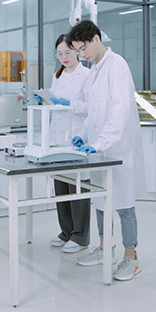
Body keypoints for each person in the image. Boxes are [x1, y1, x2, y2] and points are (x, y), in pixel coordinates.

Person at [67, 20, 146, 282]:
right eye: (77, 50)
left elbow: (119, 110)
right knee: (101, 200)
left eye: (83, 48)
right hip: (100, 148)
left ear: (96, 39)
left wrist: (100, 142)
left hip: (119, 148)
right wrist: (82, 135)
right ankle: (104, 249)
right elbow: (93, 112)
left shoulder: (117, 65)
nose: (81, 55)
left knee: (124, 204)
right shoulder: (95, 71)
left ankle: (131, 257)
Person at [35, 35, 91, 253]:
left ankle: (80, 236)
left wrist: (71, 104)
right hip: (57, 139)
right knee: (61, 188)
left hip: (77, 137)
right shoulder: (57, 76)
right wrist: (45, 101)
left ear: (77, 51)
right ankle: (66, 231)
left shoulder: (86, 75)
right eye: (59, 54)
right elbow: (54, 104)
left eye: (67, 52)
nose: (64, 57)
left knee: (77, 188)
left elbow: (91, 107)